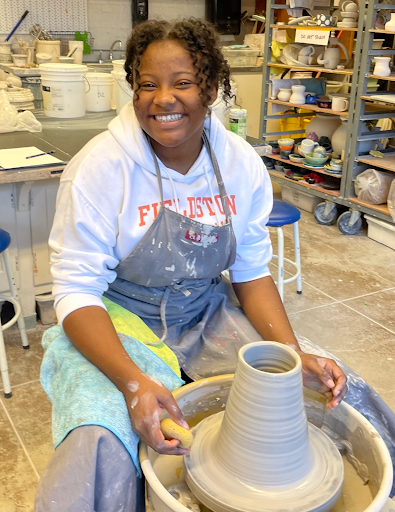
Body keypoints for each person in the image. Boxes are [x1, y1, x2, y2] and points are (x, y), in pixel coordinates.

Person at [35, 18, 349, 512]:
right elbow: (75, 290)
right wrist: (134, 383)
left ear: (212, 90)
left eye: (182, 83)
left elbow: (249, 270)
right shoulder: (100, 168)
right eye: (147, 84)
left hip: (205, 313)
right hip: (116, 319)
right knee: (97, 442)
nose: (163, 98)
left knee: (308, 398)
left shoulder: (239, 163)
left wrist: (291, 354)